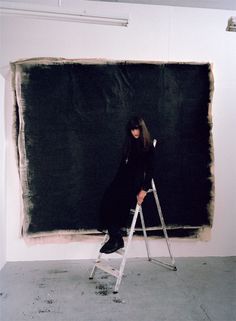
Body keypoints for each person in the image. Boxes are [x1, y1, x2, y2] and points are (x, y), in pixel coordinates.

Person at [98, 116, 155, 254]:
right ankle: (115, 237)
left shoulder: (147, 147)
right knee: (107, 197)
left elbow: (151, 170)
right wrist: (115, 183)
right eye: (132, 130)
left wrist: (144, 190)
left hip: (136, 182)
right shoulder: (129, 144)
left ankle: (116, 238)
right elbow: (122, 167)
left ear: (142, 129)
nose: (134, 132)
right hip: (123, 178)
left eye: (137, 129)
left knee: (119, 199)